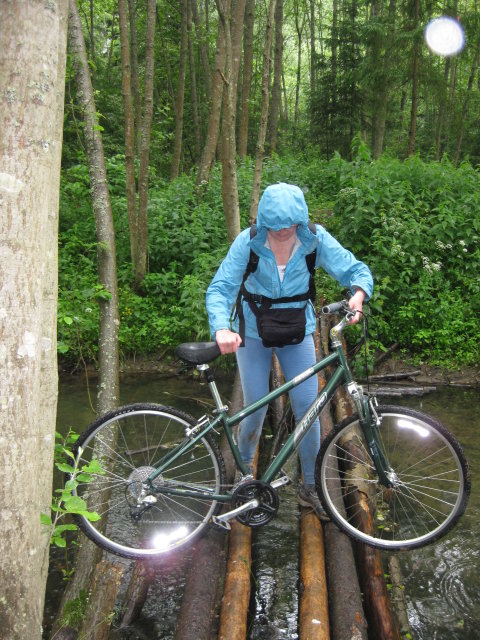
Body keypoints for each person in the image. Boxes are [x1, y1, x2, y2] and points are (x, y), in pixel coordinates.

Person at [206, 183, 373, 521]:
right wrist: (221, 327)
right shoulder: (248, 242)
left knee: (309, 410)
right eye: (275, 227)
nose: (282, 233)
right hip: (253, 332)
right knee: (254, 408)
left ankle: (310, 486)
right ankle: (245, 473)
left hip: (297, 332)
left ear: (300, 221)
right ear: (263, 222)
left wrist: (358, 295)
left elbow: (355, 270)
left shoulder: (315, 239)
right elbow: (221, 288)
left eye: (290, 226)